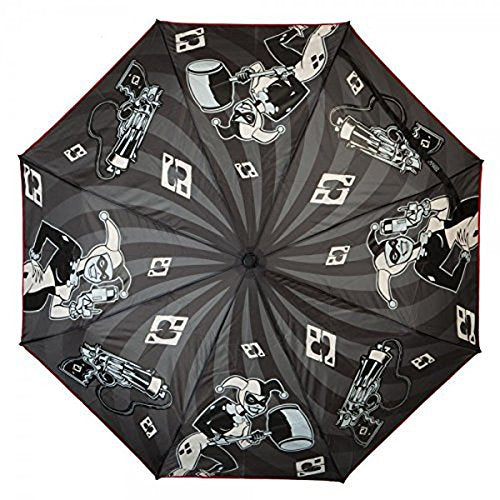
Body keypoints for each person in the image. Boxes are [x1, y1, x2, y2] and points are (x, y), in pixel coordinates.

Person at [367, 196, 478, 309]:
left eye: (393, 243)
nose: (398, 245)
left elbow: (446, 203)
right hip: (473, 232)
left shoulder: (429, 228)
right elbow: (453, 283)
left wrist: (425, 208)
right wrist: (464, 256)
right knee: (468, 236)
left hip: (471, 208)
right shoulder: (423, 265)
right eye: (394, 255)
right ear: (397, 267)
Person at [23, 211, 131, 320]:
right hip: (27, 276)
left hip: (33, 301)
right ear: (97, 252)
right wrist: (35, 256)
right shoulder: (73, 251)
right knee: (30, 275)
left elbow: (54, 311)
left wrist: (76, 309)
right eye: (102, 263)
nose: (98, 272)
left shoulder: (72, 285)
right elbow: (45, 229)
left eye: (103, 276)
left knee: (37, 303)